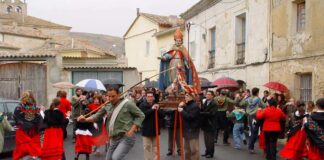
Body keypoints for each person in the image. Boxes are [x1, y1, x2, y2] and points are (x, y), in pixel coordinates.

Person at [78, 86, 145, 160]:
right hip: (113, 138)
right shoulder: (107, 105)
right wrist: (85, 119)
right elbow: (96, 116)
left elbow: (141, 115)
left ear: (119, 94)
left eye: (113, 96)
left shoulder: (128, 104)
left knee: (115, 158)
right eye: (109, 96)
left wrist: (132, 129)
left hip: (126, 137)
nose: (111, 99)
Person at [158, 28, 201, 94]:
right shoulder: (173, 48)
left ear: (181, 41)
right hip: (173, 66)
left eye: (180, 41)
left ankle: (181, 90)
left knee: (181, 78)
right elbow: (169, 55)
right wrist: (163, 58)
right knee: (173, 78)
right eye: (177, 41)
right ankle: (172, 90)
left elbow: (186, 58)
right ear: (175, 41)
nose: (178, 42)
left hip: (181, 66)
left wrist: (187, 62)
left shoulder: (183, 49)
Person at [13, 90, 42, 160]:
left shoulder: (18, 108)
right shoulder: (36, 108)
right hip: (33, 133)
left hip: (22, 133)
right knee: (34, 152)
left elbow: (16, 120)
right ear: (32, 98)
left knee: (22, 152)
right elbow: (40, 122)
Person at [239, 87, 266, 153]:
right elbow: (264, 106)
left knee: (252, 131)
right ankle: (251, 147)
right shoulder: (258, 99)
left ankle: (251, 146)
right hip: (255, 117)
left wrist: (245, 97)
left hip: (249, 117)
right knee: (255, 132)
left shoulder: (248, 99)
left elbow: (241, 104)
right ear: (257, 92)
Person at [139, 91, 163, 160]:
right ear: (146, 97)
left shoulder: (157, 105)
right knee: (147, 147)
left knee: (156, 147)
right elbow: (143, 115)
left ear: (153, 97)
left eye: (151, 96)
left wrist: (158, 109)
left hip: (156, 129)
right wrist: (152, 109)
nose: (150, 98)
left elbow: (162, 115)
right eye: (148, 96)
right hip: (146, 130)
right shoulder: (142, 105)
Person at [178, 92, 200, 160]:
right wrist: (180, 106)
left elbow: (190, 117)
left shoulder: (195, 106)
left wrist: (182, 111)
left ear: (192, 97)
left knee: (194, 150)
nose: (185, 97)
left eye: (187, 96)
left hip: (193, 131)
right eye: (185, 96)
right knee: (187, 150)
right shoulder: (186, 105)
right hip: (186, 130)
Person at [200, 91, 217, 158]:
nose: (207, 95)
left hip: (211, 123)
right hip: (205, 123)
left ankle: (211, 153)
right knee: (206, 139)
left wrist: (201, 113)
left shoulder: (214, 103)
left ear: (212, 96)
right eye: (207, 94)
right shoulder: (206, 102)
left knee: (210, 140)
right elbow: (203, 109)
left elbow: (212, 113)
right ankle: (207, 151)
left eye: (209, 94)